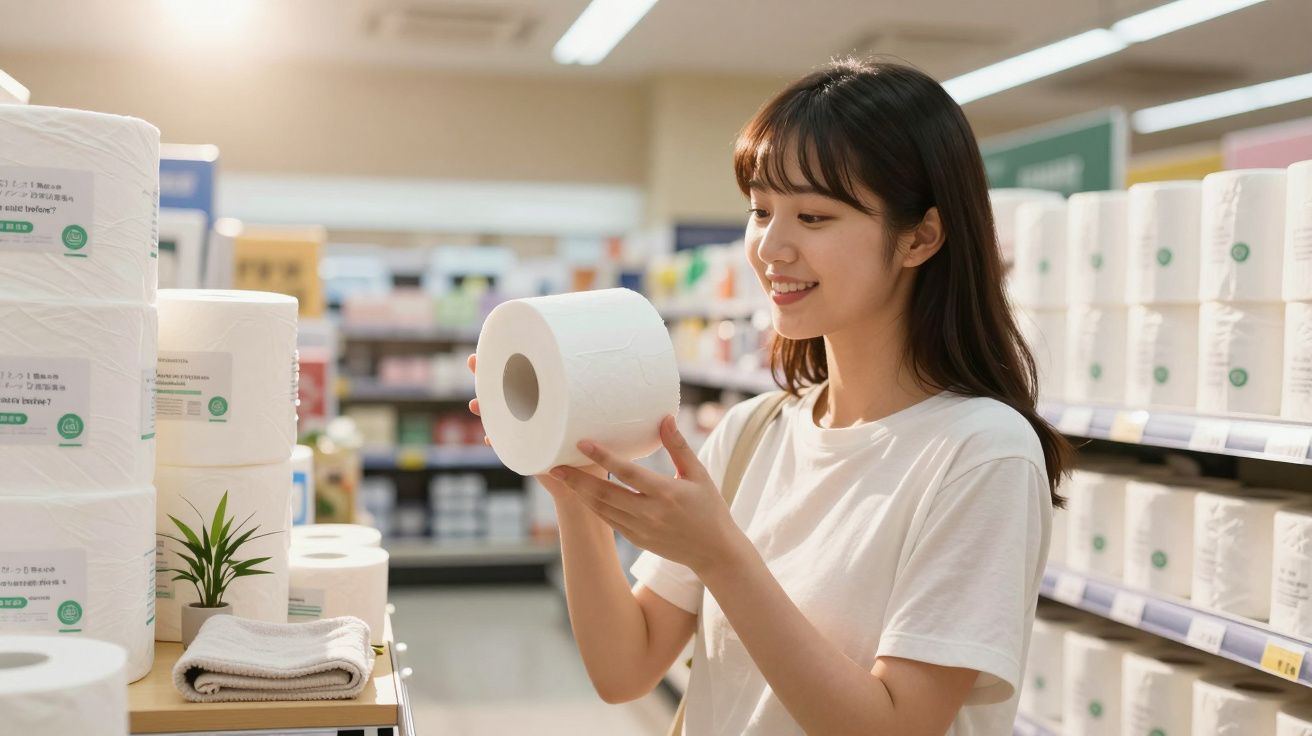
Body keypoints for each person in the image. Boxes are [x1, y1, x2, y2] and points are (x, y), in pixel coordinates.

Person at [469, 58, 1071, 735]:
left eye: (813, 216)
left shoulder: (981, 454)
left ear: (919, 237)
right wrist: (577, 494)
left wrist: (722, 557)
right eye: (760, 210)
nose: (769, 248)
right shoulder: (754, 431)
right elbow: (625, 669)